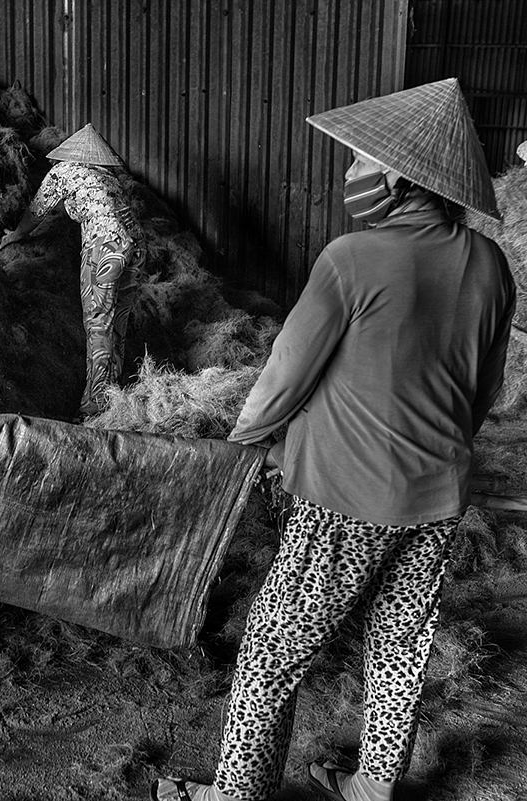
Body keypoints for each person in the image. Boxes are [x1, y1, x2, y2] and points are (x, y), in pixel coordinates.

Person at [152, 78, 515, 801]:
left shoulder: (352, 259)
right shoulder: (489, 263)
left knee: (272, 648)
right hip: (438, 492)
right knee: (400, 648)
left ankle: (237, 793)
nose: (350, 173)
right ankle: (371, 788)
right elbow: (484, 389)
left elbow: (286, 372)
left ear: (396, 176)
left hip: (348, 494)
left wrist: (238, 444)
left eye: (358, 161)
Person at [0, 123, 146, 416]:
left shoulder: (63, 172)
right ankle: (113, 396)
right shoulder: (107, 177)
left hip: (105, 246)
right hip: (137, 246)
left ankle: (94, 404)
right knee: (118, 321)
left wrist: (15, 235)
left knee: (97, 322)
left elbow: (36, 211)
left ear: (67, 153)